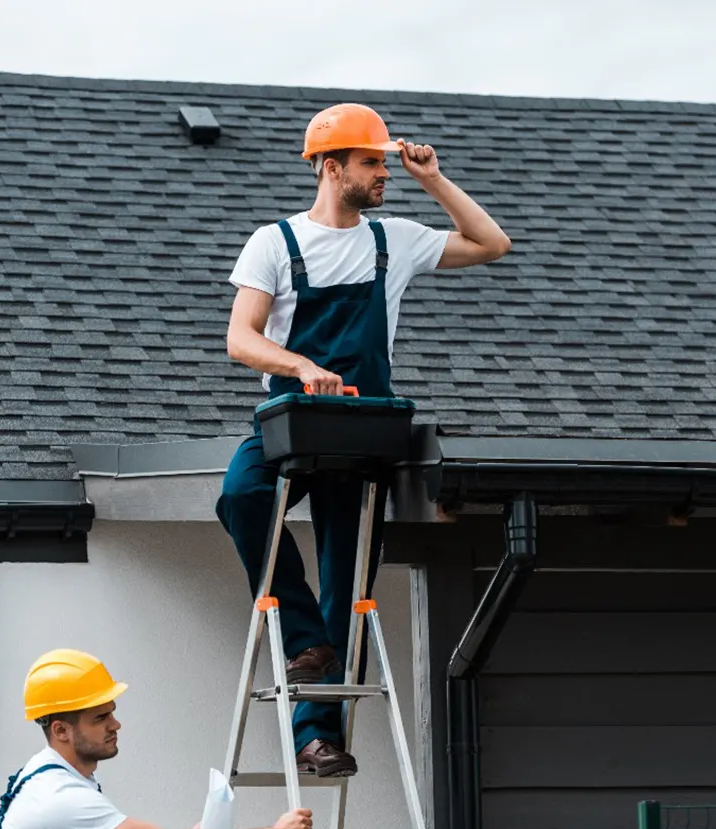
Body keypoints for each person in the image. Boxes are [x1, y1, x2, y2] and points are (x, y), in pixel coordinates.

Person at [215, 102, 511, 777]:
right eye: (372, 161)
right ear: (329, 165)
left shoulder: (395, 240)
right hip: (291, 422)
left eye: (384, 160)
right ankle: (307, 640)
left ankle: (318, 738)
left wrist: (432, 178)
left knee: (348, 583)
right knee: (240, 496)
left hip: (365, 432)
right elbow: (240, 339)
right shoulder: (274, 244)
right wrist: (301, 366)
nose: (384, 172)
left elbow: (492, 244)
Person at [0, 648, 314, 829]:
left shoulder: (46, 775)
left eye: (111, 712)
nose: (115, 724)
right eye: (100, 718)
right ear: (61, 731)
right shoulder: (61, 796)